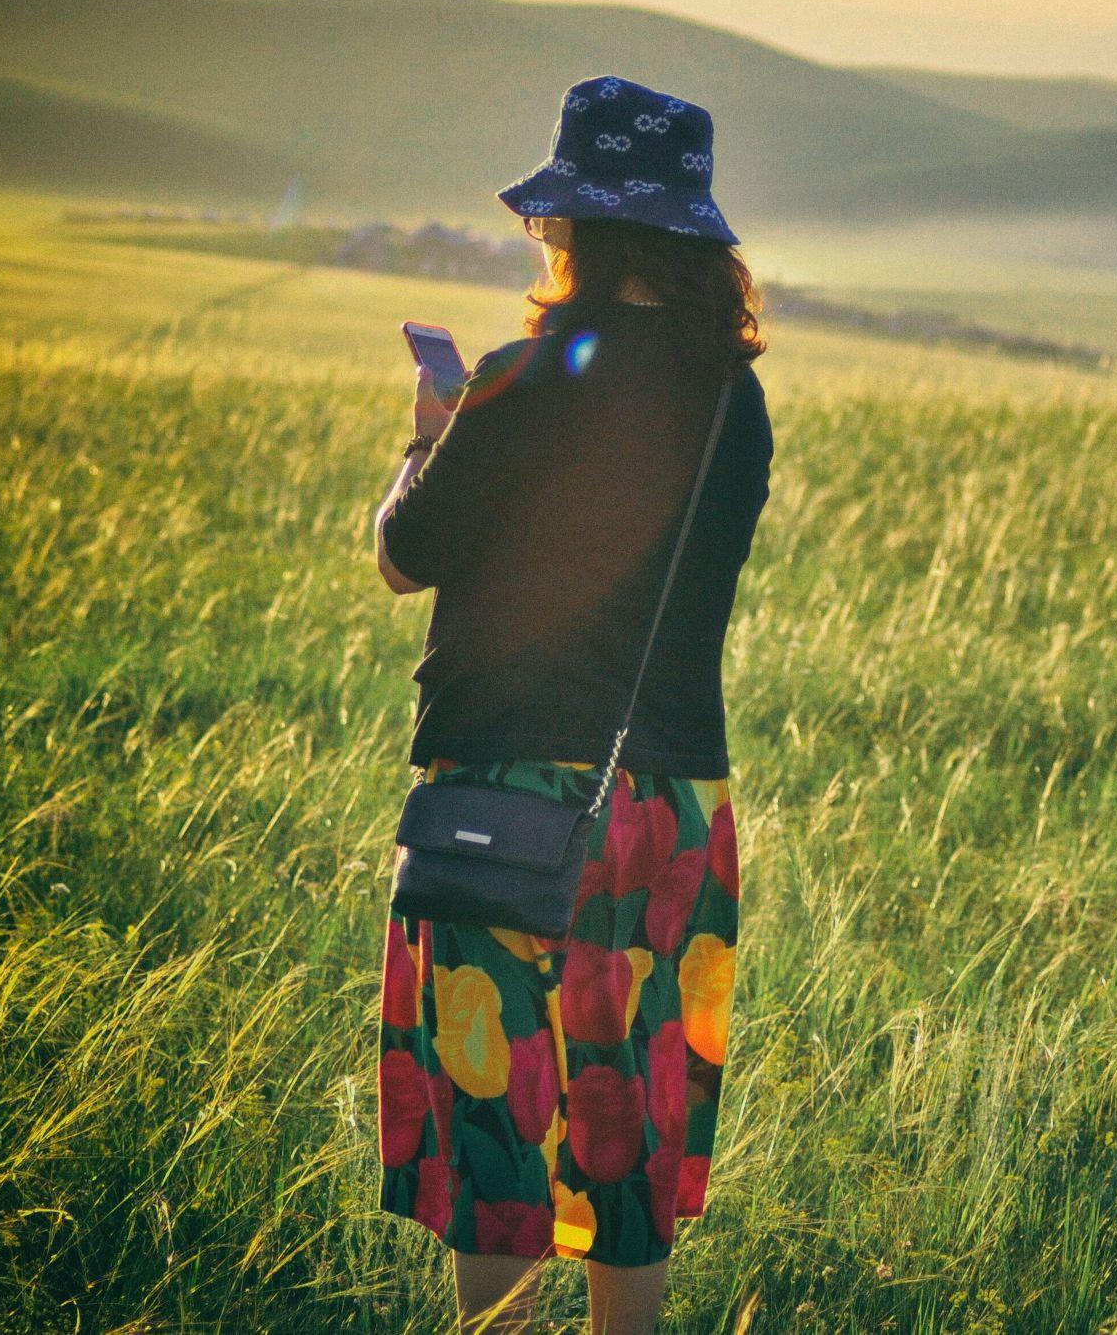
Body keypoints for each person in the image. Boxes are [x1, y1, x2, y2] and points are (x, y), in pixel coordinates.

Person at [368, 76, 772, 1335]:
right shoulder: (734, 405)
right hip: (672, 811)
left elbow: (404, 556)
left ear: (575, 229)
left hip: (506, 792)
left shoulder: (522, 377)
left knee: (495, 1129)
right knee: (628, 1135)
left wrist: (426, 438)